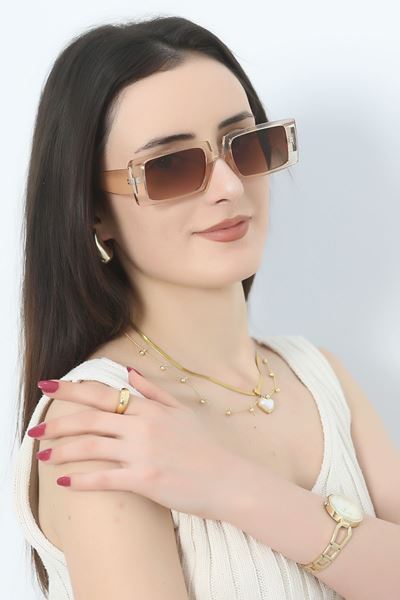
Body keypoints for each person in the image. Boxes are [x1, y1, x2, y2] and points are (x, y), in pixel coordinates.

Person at [12, 15, 377, 600]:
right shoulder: (101, 419)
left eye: (246, 146)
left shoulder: (318, 376)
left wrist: (233, 486)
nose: (229, 186)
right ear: (94, 213)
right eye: (171, 167)